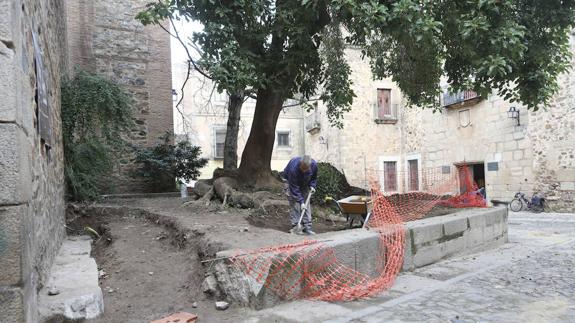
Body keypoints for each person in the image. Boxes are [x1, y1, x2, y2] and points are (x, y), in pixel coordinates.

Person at [283, 155, 318, 235]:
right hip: (290, 181)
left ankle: (307, 227)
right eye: (302, 169)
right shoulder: (293, 169)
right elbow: (294, 188)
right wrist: (301, 202)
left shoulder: (314, 165)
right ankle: (296, 225)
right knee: (295, 202)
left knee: (306, 203)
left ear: (310, 166)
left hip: (304, 181)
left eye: (306, 169)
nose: (304, 171)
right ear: (300, 164)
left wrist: (313, 185)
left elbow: (314, 178)